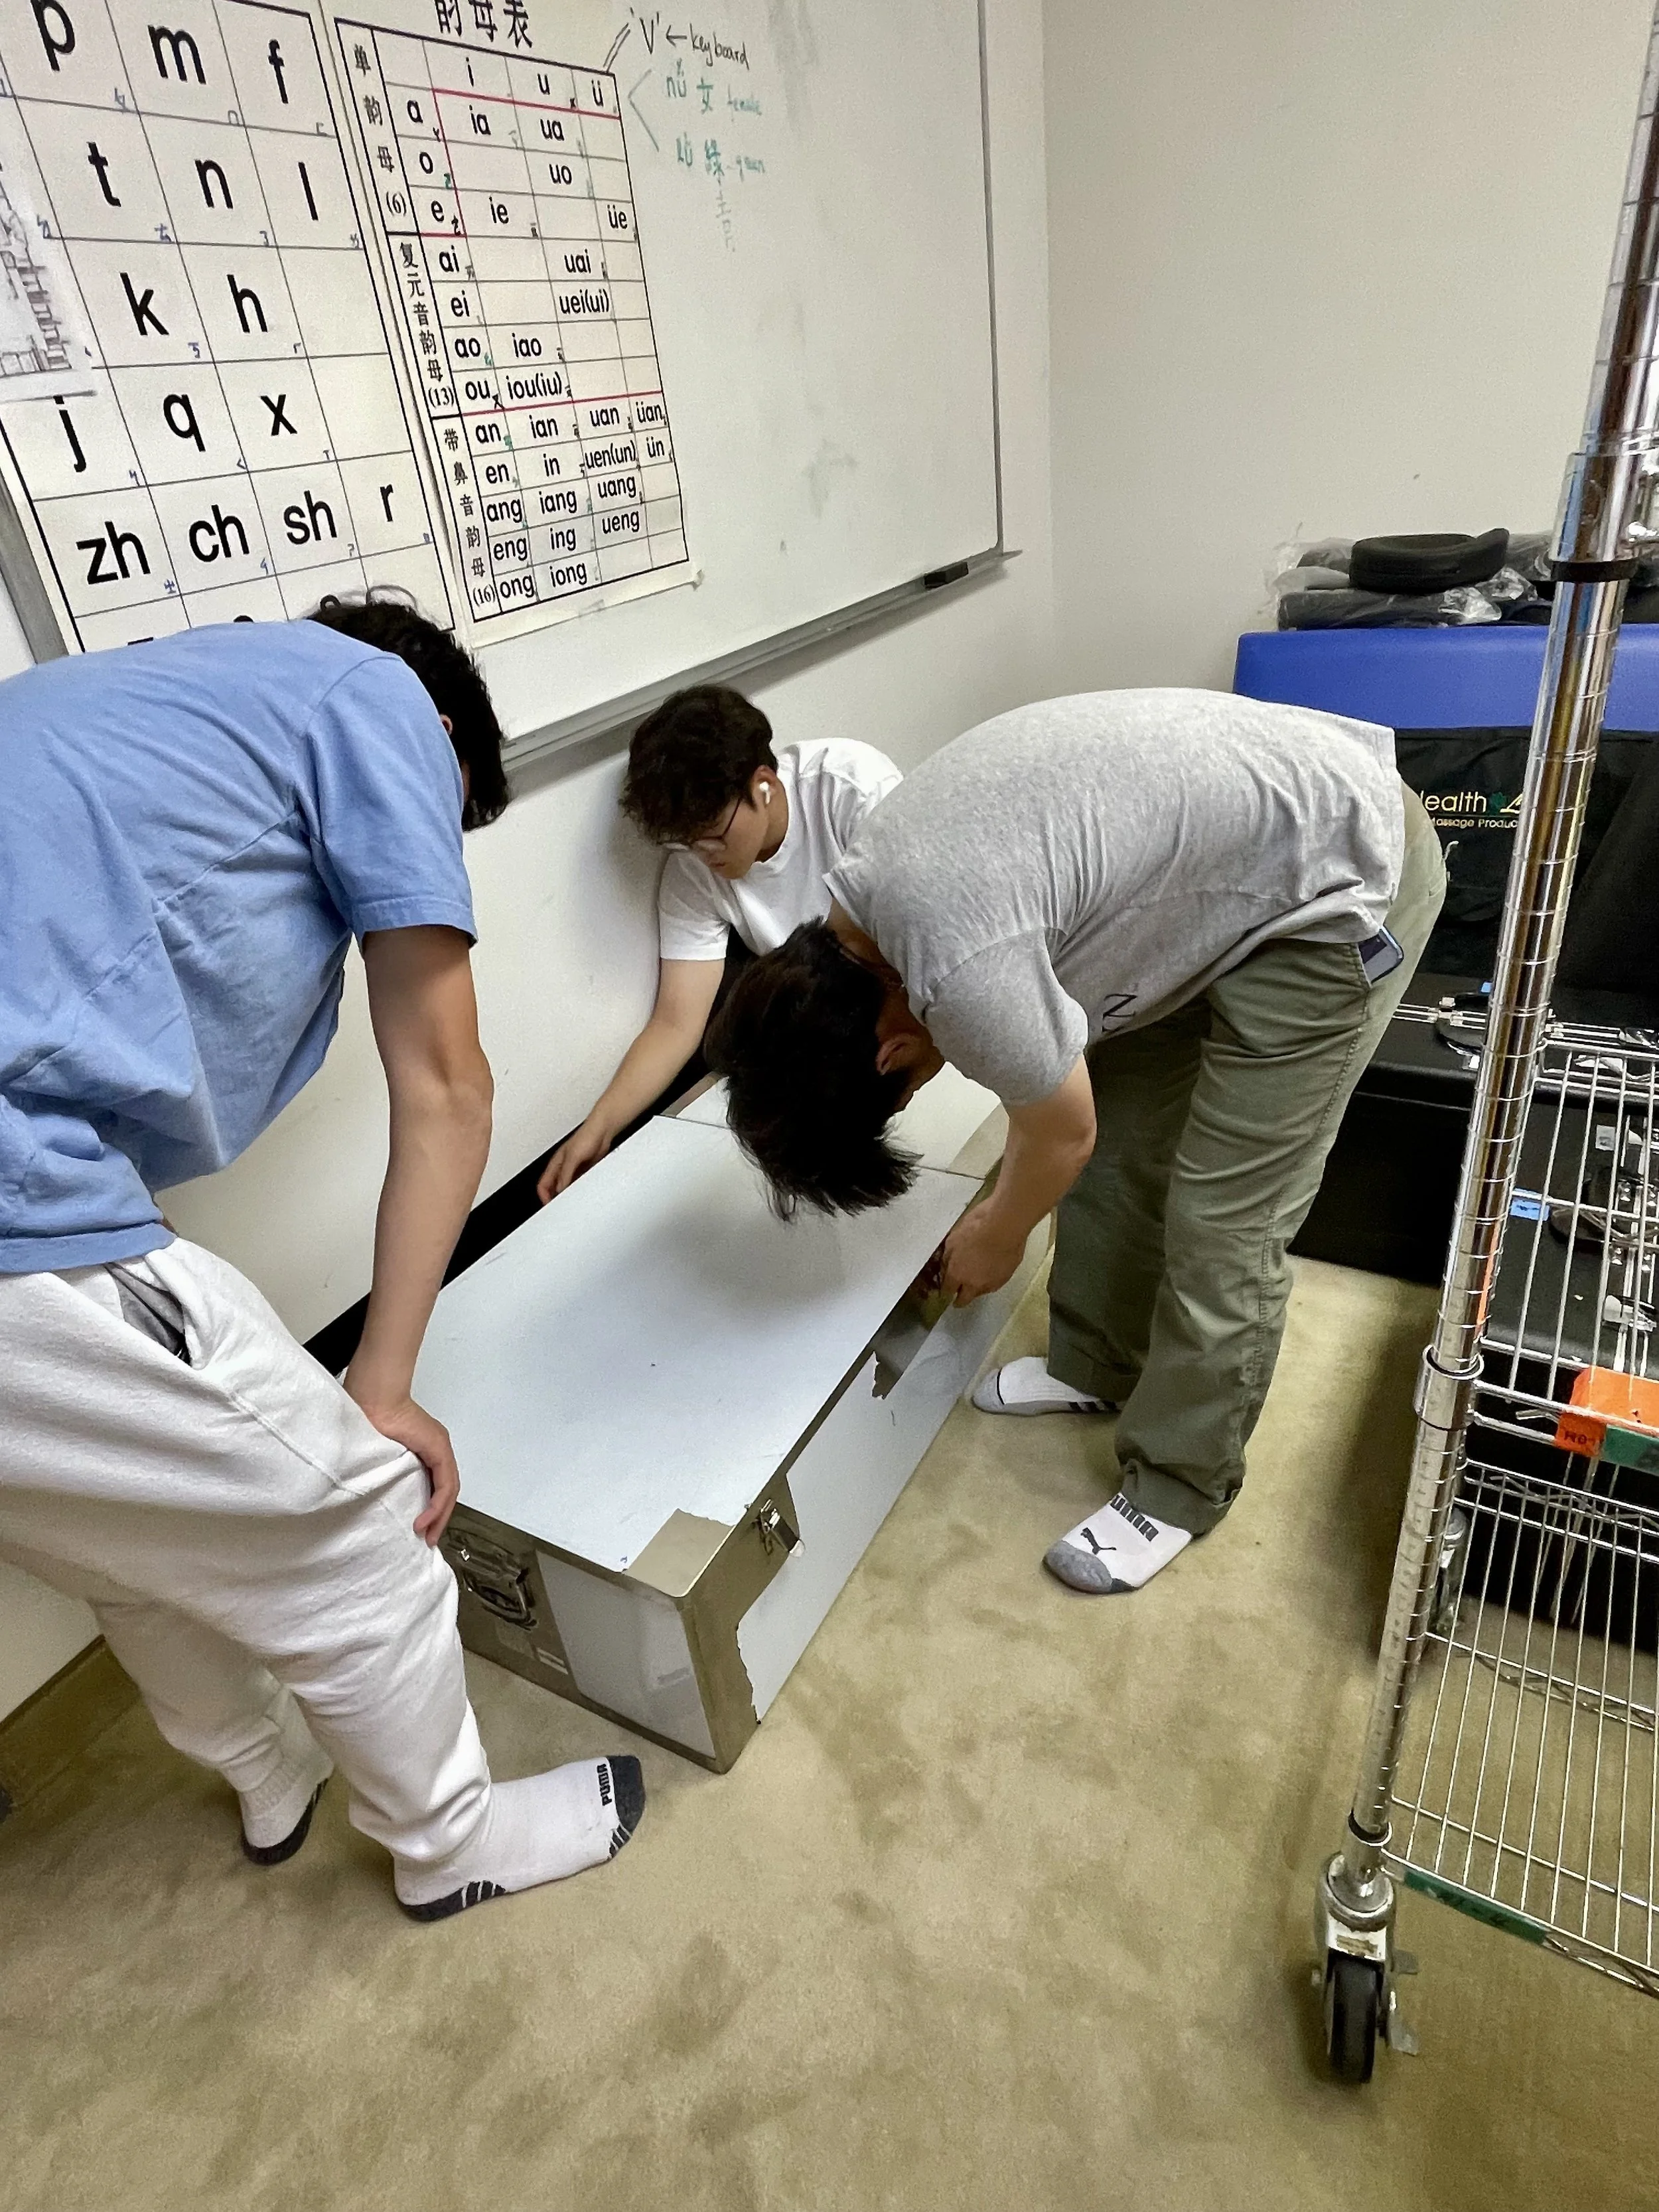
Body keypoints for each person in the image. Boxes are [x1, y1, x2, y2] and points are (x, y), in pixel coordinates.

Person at [0, 595, 643, 1919]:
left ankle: (267, 1777)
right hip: (19, 1203)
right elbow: (451, 1087)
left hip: (38, 1179)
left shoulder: (128, 700)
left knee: (126, 1538)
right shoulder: (373, 700)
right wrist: (384, 1388)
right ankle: (448, 1837)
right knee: (358, 1524)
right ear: (444, 734)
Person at [704, 689, 1446, 1595]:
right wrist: (1016, 1196)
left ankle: (1182, 1482)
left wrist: (998, 1228)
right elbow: (1077, 1127)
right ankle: (1097, 1361)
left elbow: (1060, 1134)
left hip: (1342, 879)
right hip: (1228, 871)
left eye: (892, 1097)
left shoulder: (952, 970)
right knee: (1125, 1130)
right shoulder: (865, 893)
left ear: (891, 1050)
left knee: (1224, 1221)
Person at [538, 684, 901, 1199]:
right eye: (686, 841)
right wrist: (600, 1126)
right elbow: (675, 1022)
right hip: (827, 1032)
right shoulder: (693, 869)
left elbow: (916, 943)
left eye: (713, 833)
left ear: (764, 785)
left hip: (902, 999)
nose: (703, 853)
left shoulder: (851, 791)